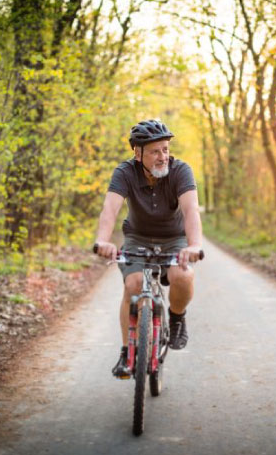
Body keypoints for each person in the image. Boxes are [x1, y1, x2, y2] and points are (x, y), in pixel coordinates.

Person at [94, 119, 203, 379]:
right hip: (138, 238)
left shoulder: (180, 171)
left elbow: (190, 210)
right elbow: (110, 208)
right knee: (132, 285)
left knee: (183, 276)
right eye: (155, 151)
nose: (162, 156)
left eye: (165, 149)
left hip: (174, 238)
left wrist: (195, 245)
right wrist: (103, 240)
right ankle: (126, 352)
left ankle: (176, 317)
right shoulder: (124, 173)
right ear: (137, 153)